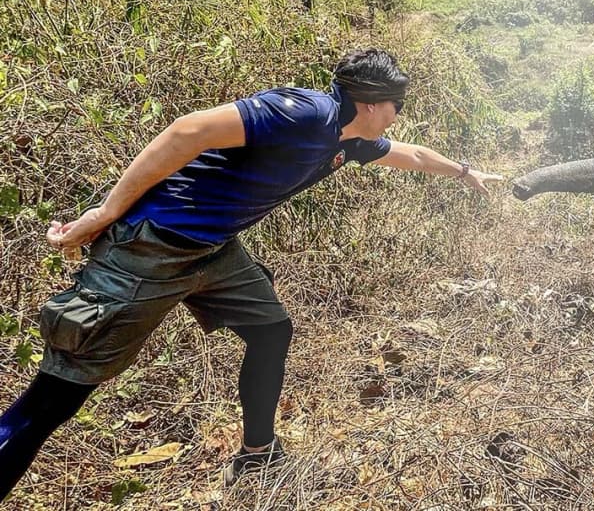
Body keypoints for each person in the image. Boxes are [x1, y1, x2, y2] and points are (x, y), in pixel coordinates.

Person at [0, 48, 503, 496]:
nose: (397, 117)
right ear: (373, 103)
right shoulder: (306, 112)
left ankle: (257, 454)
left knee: (271, 329)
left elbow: (410, 154)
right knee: (57, 397)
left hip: (213, 252)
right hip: (149, 250)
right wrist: (106, 212)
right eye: (397, 106)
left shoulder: (346, 139)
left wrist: (465, 171)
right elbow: (188, 130)